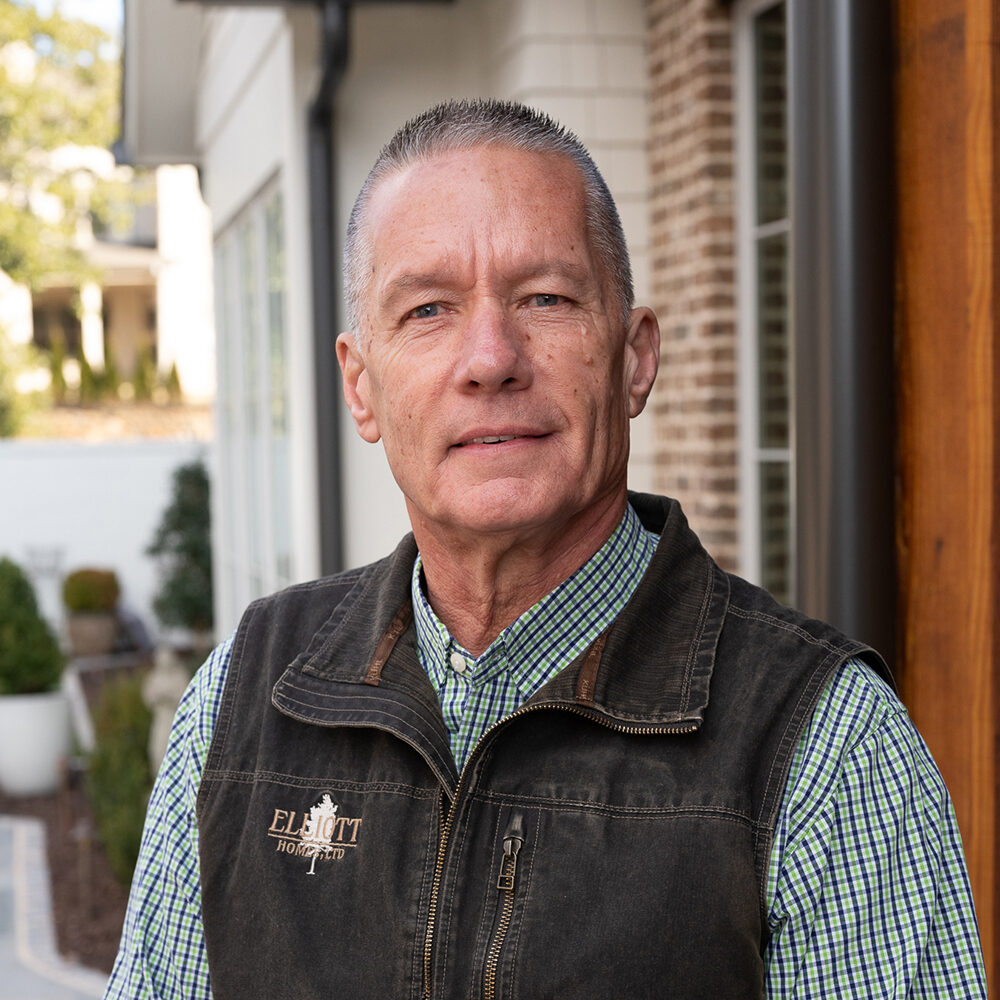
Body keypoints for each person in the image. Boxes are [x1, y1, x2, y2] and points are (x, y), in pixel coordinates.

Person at [106, 99, 986, 999]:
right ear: (361, 386)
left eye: (546, 298)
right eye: (428, 310)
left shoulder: (825, 743)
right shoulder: (240, 703)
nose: (491, 357)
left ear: (634, 357)